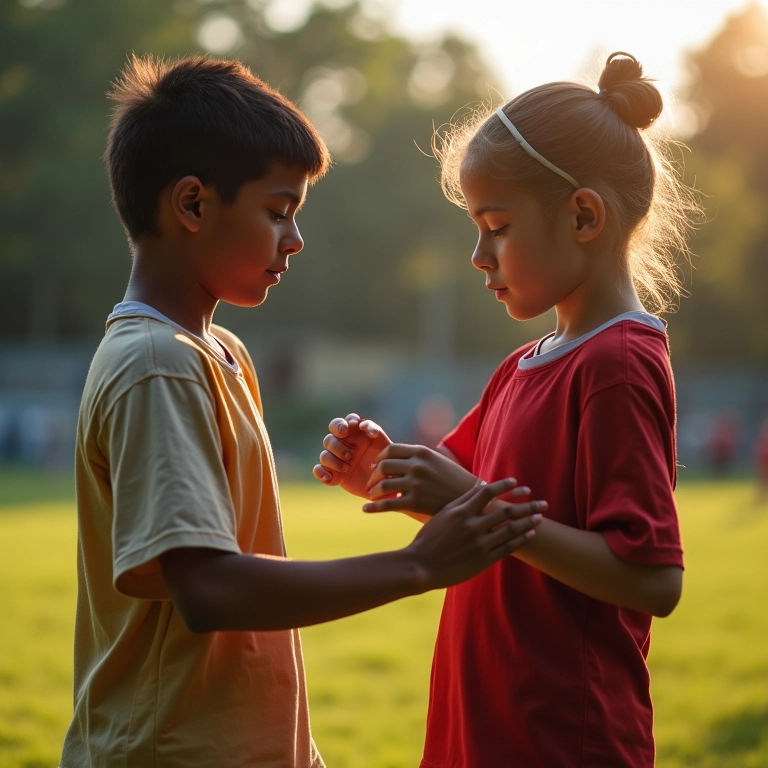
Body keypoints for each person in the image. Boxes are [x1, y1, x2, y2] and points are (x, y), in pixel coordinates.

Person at [60, 54, 547, 767]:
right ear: (192, 205)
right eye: (277, 211)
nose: (294, 239)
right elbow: (208, 587)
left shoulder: (217, 350)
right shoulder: (157, 364)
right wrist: (415, 566)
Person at [314, 52, 702, 767]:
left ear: (583, 215)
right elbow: (470, 502)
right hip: (482, 723)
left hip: (563, 736)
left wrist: (478, 503)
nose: (478, 254)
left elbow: (652, 578)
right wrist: (385, 473)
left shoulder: (616, 364)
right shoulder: (522, 366)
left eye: (496, 225)